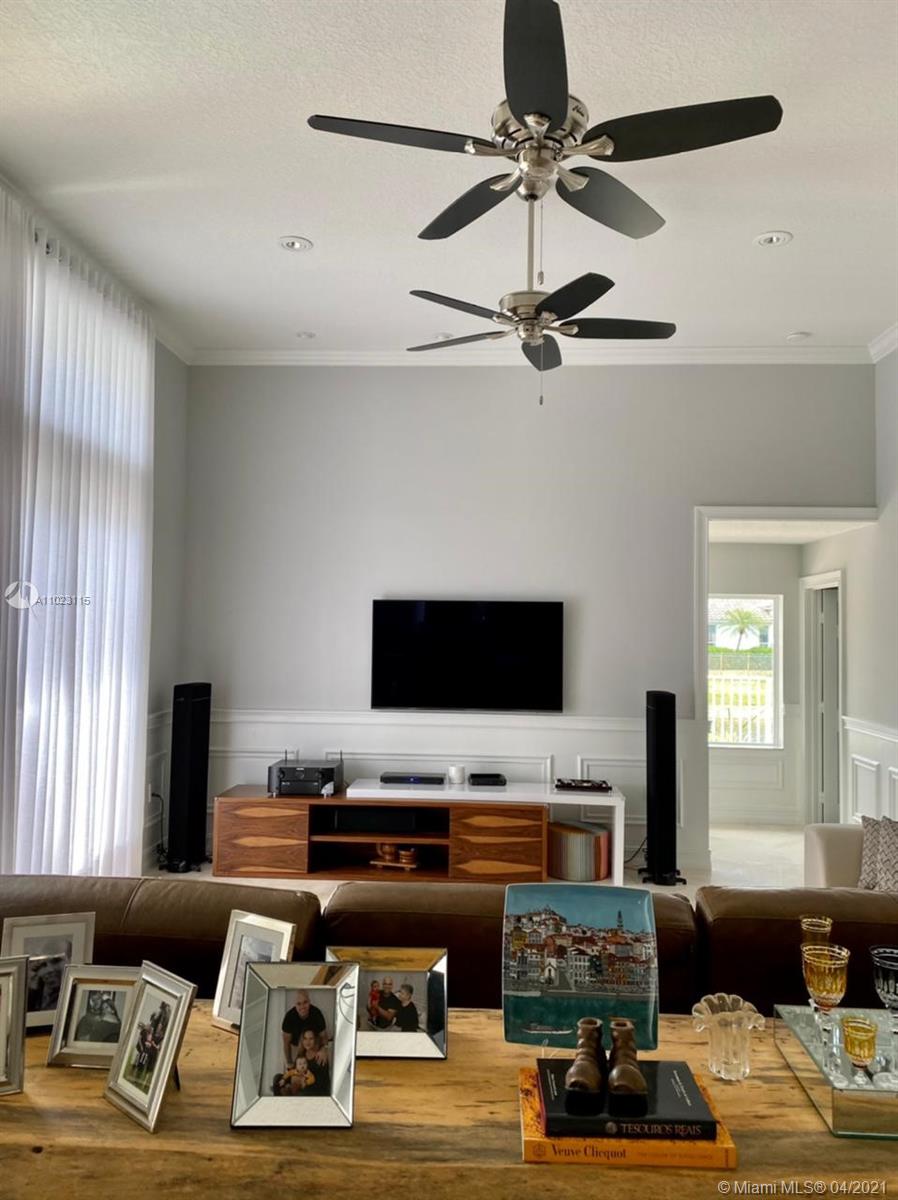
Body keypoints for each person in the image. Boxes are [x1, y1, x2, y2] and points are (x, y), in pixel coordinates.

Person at [281, 990, 328, 1068]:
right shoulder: (289, 1017)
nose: (302, 1006)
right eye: (299, 1004)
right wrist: (289, 1063)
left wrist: (324, 1049)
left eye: (305, 1002)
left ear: (309, 1002)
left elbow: (323, 1036)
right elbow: (286, 1043)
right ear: (295, 1005)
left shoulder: (317, 1013)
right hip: (296, 1049)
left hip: (315, 1048)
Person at [297, 1028, 331, 1096]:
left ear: (315, 1040)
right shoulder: (301, 1054)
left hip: (317, 1091)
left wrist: (305, 1082)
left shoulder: (320, 1055)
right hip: (304, 1087)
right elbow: (295, 1070)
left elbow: (322, 1082)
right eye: (305, 1038)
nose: (307, 1042)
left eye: (311, 1039)